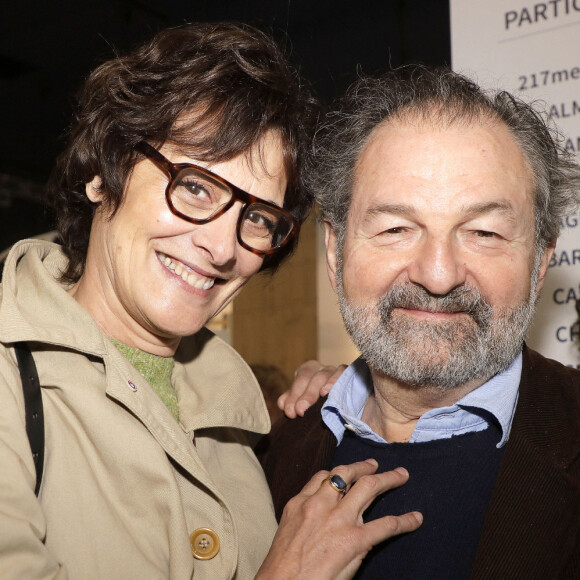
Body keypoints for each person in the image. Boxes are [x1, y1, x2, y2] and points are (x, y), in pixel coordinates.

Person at [0, 24, 422, 579]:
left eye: (257, 217)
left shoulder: (243, 423)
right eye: (196, 185)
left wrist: (332, 404)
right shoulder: (13, 380)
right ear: (103, 172)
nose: (222, 248)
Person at [259, 66, 580, 579]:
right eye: (395, 228)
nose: (437, 275)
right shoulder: (271, 452)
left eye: (484, 233)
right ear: (336, 252)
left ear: (540, 263)